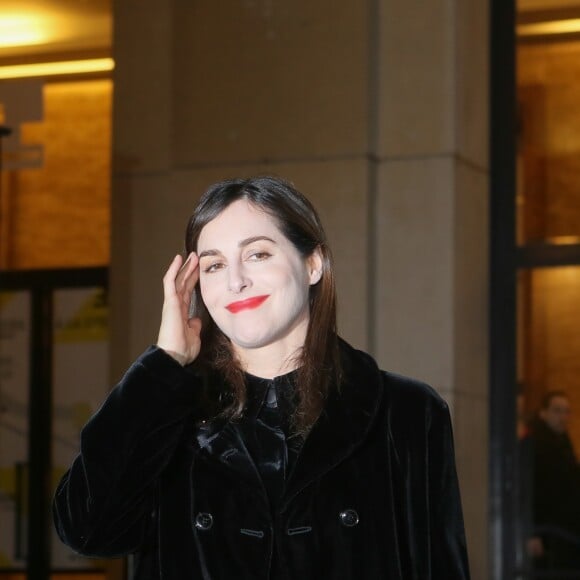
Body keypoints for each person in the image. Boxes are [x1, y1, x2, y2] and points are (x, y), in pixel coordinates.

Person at [53, 176, 471, 579]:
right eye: (214, 265)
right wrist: (163, 364)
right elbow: (88, 531)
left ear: (313, 263)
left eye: (258, 254)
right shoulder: (169, 413)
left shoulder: (405, 413)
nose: (236, 280)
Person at [528, 391, 580, 571]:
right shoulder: (536, 446)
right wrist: (533, 532)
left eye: (566, 411)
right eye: (557, 410)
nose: (563, 416)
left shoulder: (563, 443)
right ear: (543, 413)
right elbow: (531, 490)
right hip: (548, 532)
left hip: (563, 531)